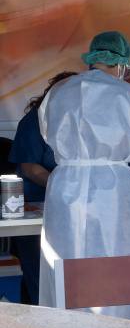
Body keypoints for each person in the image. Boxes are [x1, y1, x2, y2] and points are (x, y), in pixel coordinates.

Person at [38, 32, 130, 319]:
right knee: (112, 262)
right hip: (112, 186)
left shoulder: (60, 91)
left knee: (64, 260)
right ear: (121, 63)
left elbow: (47, 133)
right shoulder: (129, 93)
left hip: (66, 183)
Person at [9, 71, 76, 304]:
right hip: (36, 206)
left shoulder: (80, 121)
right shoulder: (34, 122)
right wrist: (65, 189)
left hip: (73, 207)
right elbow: (30, 168)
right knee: (42, 275)